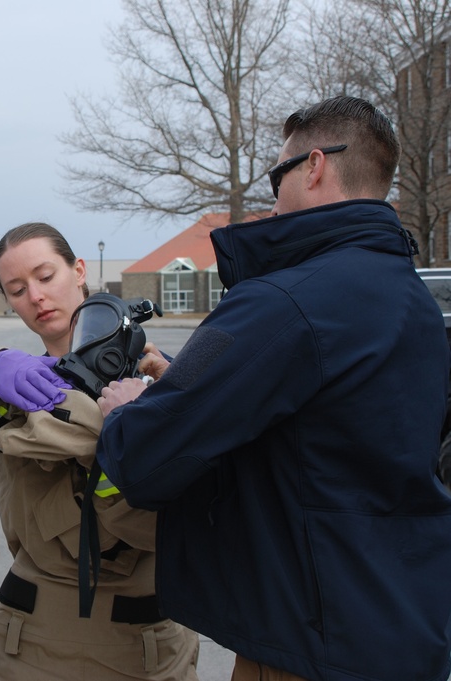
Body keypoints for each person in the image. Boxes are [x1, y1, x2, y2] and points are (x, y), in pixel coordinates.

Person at [96, 95, 451, 681]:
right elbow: (332, 428)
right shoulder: (411, 298)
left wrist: (130, 409)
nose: (273, 195)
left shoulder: (282, 299)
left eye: (277, 174)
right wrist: (191, 379)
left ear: (314, 166)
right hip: (399, 624)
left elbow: (145, 457)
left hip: (310, 645)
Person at [0, 222, 200, 680]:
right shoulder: (10, 384)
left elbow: (173, 519)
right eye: (16, 289)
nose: (35, 297)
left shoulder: (162, 379)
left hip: (144, 644)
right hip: (28, 639)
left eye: (45, 276)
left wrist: (159, 409)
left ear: (79, 271)